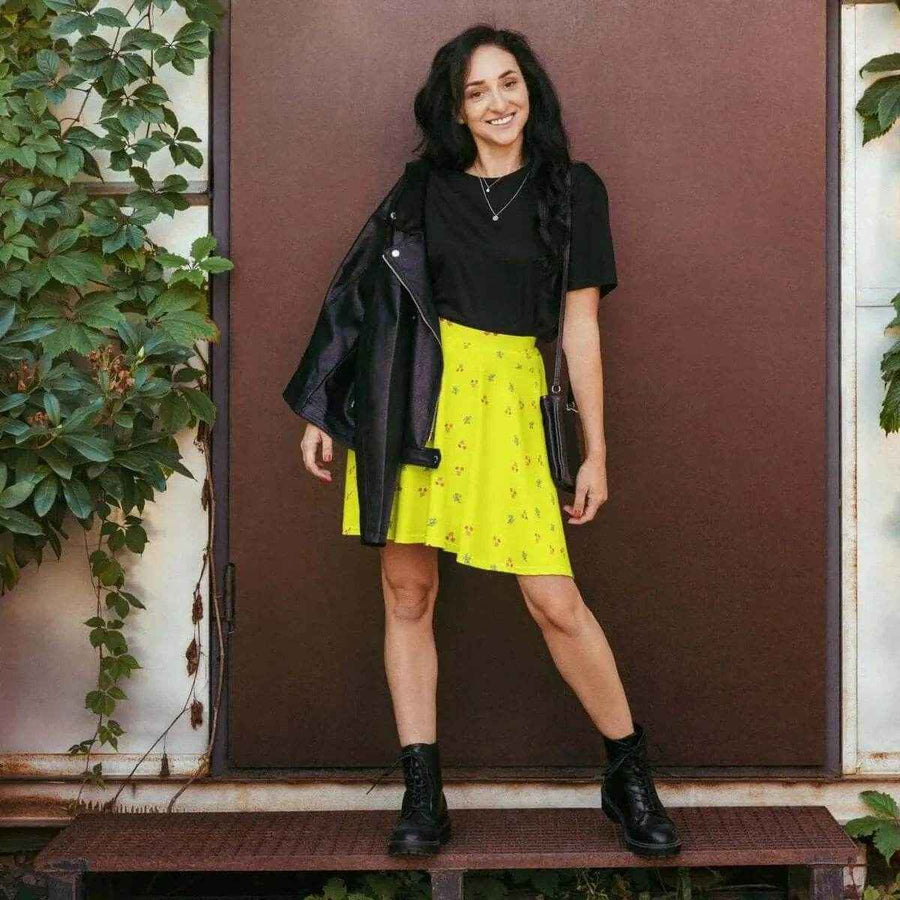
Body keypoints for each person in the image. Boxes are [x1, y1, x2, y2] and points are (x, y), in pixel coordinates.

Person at [283, 24, 681, 861]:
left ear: (530, 89)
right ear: (455, 110)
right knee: (407, 594)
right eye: (476, 92)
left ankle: (627, 772)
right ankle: (423, 792)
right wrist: (324, 405)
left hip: (510, 401)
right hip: (413, 398)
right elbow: (360, 296)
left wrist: (595, 451)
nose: (497, 103)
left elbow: (580, 327)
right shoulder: (422, 188)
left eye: (508, 83)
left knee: (554, 599)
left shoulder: (572, 189)